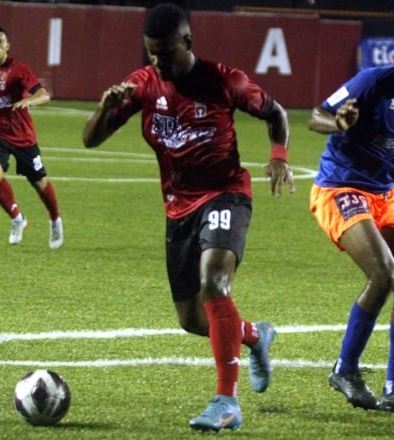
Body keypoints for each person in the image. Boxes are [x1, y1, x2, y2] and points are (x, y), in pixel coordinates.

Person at [82, 3, 294, 432]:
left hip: (226, 194)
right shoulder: (141, 86)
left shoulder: (223, 80)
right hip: (178, 208)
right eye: (151, 52)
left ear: (188, 42)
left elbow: (276, 114)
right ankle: (255, 335)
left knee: (214, 281)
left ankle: (226, 403)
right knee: (192, 320)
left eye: (165, 52)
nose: (157, 61)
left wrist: (278, 157)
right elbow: (90, 140)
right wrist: (106, 108)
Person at [307, 26, 394, 414]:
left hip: (382, 196)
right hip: (340, 187)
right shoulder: (372, 82)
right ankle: (345, 369)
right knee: (384, 273)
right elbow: (316, 114)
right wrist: (338, 123)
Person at [0, 24, 63, 248]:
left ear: (7, 47)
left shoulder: (18, 71)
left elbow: (44, 95)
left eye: (0, 43)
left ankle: (55, 220)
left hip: (22, 135)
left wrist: (28, 101)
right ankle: (17, 219)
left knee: (39, 182)